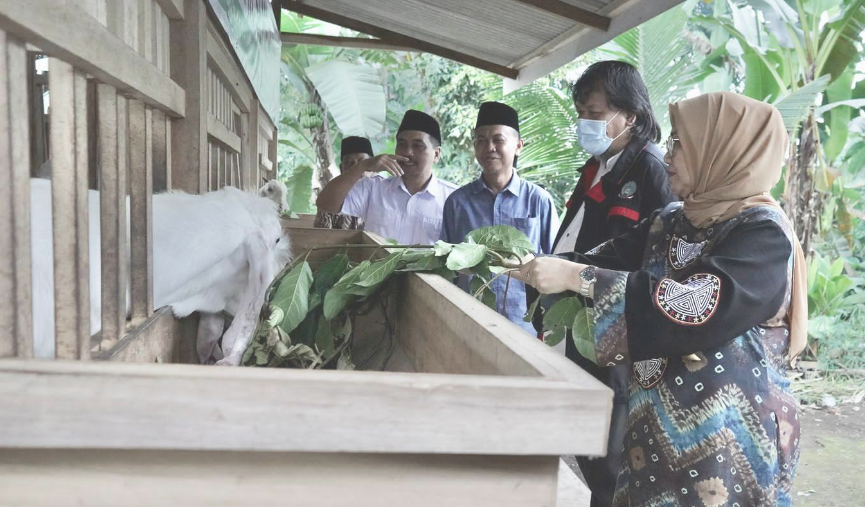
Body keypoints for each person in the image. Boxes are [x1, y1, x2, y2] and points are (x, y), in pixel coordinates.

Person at [517, 92, 806, 507]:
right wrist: (535, 265)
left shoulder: (763, 234)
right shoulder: (670, 220)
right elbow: (599, 262)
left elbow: (698, 306)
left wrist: (577, 277)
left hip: (729, 444)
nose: (668, 154)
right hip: (652, 436)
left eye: (680, 144)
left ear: (720, 151)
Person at [530, 60, 676, 507]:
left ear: (627, 115)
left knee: (609, 449)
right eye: (581, 113)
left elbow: (655, 261)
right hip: (579, 320)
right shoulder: (598, 166)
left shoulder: (651, 170)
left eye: (593, 113)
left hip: (613, 330)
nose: (584, 123)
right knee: (588, 442)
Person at [441, 101, 558, 334]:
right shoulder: (457, 203)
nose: (489, 147)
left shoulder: (539, 201)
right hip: (467, 324)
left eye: (498, 139)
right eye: (481, 141)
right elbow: (447, 268)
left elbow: (554, 263)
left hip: (525, 327)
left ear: (518, 146)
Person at [316, 110, 457, 244]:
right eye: (402, 144)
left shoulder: (453, 199)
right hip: (375, 270)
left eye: (417, 146)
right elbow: (325, 204)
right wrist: (362, 166)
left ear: (436, 154)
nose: (407, 152)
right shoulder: (373, 188)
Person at [314, 136, 376, 230]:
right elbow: (321, 237)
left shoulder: (383, 195)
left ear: (373, 167)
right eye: (349, 162)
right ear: (341, 168)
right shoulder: (330, 198)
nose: (356, 168)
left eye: (362, 163)